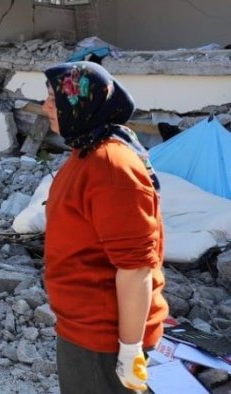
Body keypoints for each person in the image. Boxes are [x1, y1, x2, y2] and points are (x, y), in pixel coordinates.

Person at [42, 61, 167, 393]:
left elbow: (136, 267)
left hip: (104, 339)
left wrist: (130, 351)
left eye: (54, 99)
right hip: (83, 329)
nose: (45, 107)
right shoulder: (87, 151)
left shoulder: (111, 166)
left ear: (82, 102)